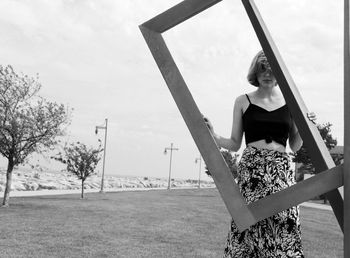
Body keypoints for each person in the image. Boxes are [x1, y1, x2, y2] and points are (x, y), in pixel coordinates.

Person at [204, 51, 314, 257]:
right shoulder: (242, 101)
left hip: (280, 171)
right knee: (247, 223)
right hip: (252, 171)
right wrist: (213, 135)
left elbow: (295, 145)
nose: (267, 75)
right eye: (263, 69)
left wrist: (307, 127)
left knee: (285, 220)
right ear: (256, 72)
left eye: (272, 71)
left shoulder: (290, 103)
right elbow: (235, 143)